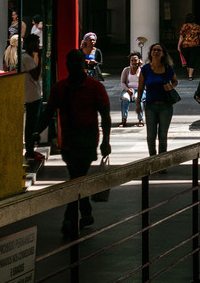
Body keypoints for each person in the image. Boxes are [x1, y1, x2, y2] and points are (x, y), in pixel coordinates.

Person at [40, 49, 112, 239]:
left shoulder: (95, 87)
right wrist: (34, 133)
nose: (73, 66)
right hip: (69, 142)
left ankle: (69, 219)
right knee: (77, 178)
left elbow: (105, 116)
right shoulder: (59, 88)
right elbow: (47, 114)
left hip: (87, 141)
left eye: (76, 62)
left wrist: (106, 141)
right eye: (70, 62)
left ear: (83, 64)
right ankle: (85, 212)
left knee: (76, 177)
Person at [141, 42, 178, 155]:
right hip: (150, 106)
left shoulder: (167, 69)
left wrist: (171, 86)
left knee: (163, 135)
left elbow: (175, 81)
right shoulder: (146, 69)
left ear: (163, 54)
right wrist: (138, 104)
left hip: (165, 106)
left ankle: (161, 162)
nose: (156, 52)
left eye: (158, 50)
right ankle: (152, 159)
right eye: (154, 50)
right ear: (150, 53)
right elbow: (140, 86)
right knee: (151, 135)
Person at [20, 33, 45, 160]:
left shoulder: (26, 57)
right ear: (29, 44)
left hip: (33, 94)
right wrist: (40, 57)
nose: (38, 45)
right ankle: (29, 150)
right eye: (36, 42)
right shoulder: (27, 58)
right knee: (32, 123)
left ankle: (31, 149)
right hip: (32, 95)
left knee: (33, 123)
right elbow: (35, 75)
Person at [119, 52, 144, 127]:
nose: (133, 62)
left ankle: (140, 119)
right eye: (132, 60)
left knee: (137, 98)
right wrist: (127, 89)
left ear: (139, 61)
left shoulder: (142, 70)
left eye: (135, 60)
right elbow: (122, 82)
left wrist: (141, 67)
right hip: (128, 90)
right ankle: (124, 119)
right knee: (125, 98)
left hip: (140, 90)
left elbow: (145, 82)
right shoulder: (126, 70)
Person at [176, 13, 200, 78]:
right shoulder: (197, 27)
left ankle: (189, 73)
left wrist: (178, 45)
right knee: (192, 59)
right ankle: (190, 75)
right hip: (195, 45)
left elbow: (181, 37)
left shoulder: (184, 26)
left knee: (187, 59)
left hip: (185, 45)